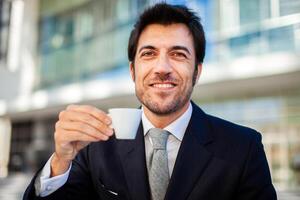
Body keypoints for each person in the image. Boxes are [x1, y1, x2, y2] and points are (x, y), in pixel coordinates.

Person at [23, 3, 277, 200]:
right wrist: (60, 161)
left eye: (178, 54)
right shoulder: (94, 146)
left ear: (197, 72)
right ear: (133, 72)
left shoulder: (244, 148)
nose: (162, 68)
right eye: (149, 53)